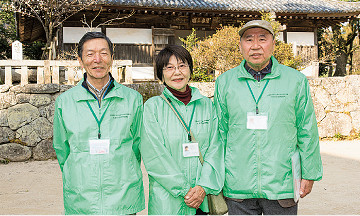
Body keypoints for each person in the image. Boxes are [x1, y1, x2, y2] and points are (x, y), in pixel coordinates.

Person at [214, 20, 323, 215]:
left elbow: (307, 129)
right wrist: (216, 176)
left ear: (273, 43)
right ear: (240, 46)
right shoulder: (225, 82)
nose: (255, 46)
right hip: (238, 184)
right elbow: (219, 133)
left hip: (282, 183)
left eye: (262, 39)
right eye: (249, 39)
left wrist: (310, 173)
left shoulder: (295, 81)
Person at [53, 32, 145, 215]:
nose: (97, 60)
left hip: (123, 198)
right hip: (82, 199)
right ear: (80, 60)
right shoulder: (65, 102)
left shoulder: (132, 99)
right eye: (90, 54)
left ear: (112, 57)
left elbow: (137, 145)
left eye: (103, 53)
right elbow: (62, 149)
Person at [140, 45, 224, 215]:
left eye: (182, 66)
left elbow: (216, 148)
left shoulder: (207, 105)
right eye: (169, 67)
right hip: (168, 202)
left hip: (203, 200)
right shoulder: (153, 108)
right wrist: (185, 190)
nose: (177, 72)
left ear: (190, 70)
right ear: (161, 74)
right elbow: (155, 156)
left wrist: (202, 187)